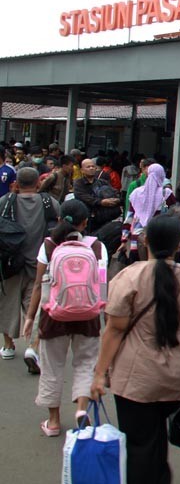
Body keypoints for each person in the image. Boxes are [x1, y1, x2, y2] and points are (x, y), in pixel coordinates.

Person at [91, 215, 180, 484]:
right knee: (156, 438)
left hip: (136, 375)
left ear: (146, 241)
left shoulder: (128, 277)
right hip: (176, 373)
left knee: (139, 445)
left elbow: (115, 329)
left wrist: (100, 373)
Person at [22, 200, 105, 436]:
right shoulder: (97, 247)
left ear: (59, 220)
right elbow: (102, 286)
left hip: (53, 315)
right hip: (88, 316)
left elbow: (38, 284)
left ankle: (54, 422)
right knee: (86, 364)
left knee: (52, 367)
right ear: (85, 222)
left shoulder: (48, 246)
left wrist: (30, 318)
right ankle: (81, 411)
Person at [0, 168, 60, 361]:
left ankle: (8, 345)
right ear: (37, 184)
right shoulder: (50, 203)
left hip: (10, 264)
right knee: (37, 305)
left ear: (16, 184)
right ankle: (33, 347)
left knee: (7, 304)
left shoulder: (5, 202)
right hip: (40, 264)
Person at [121, 163, 176, 262]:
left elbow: (129, 218)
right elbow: (174, 214)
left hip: (136, 242)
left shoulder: (136, 194)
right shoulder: (166, 194)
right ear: (162, 175)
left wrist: (124, 239)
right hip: (159, 241)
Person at [73, 158, 121, 232]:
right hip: (86, 218)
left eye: (93, 166)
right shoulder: (78, 183)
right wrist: (101, 202)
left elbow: (114, 192)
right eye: (88, 167)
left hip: (103, 217)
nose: (91, 168)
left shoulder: (102, 182)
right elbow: (84, 197)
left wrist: (116, 199)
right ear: (82, 170)